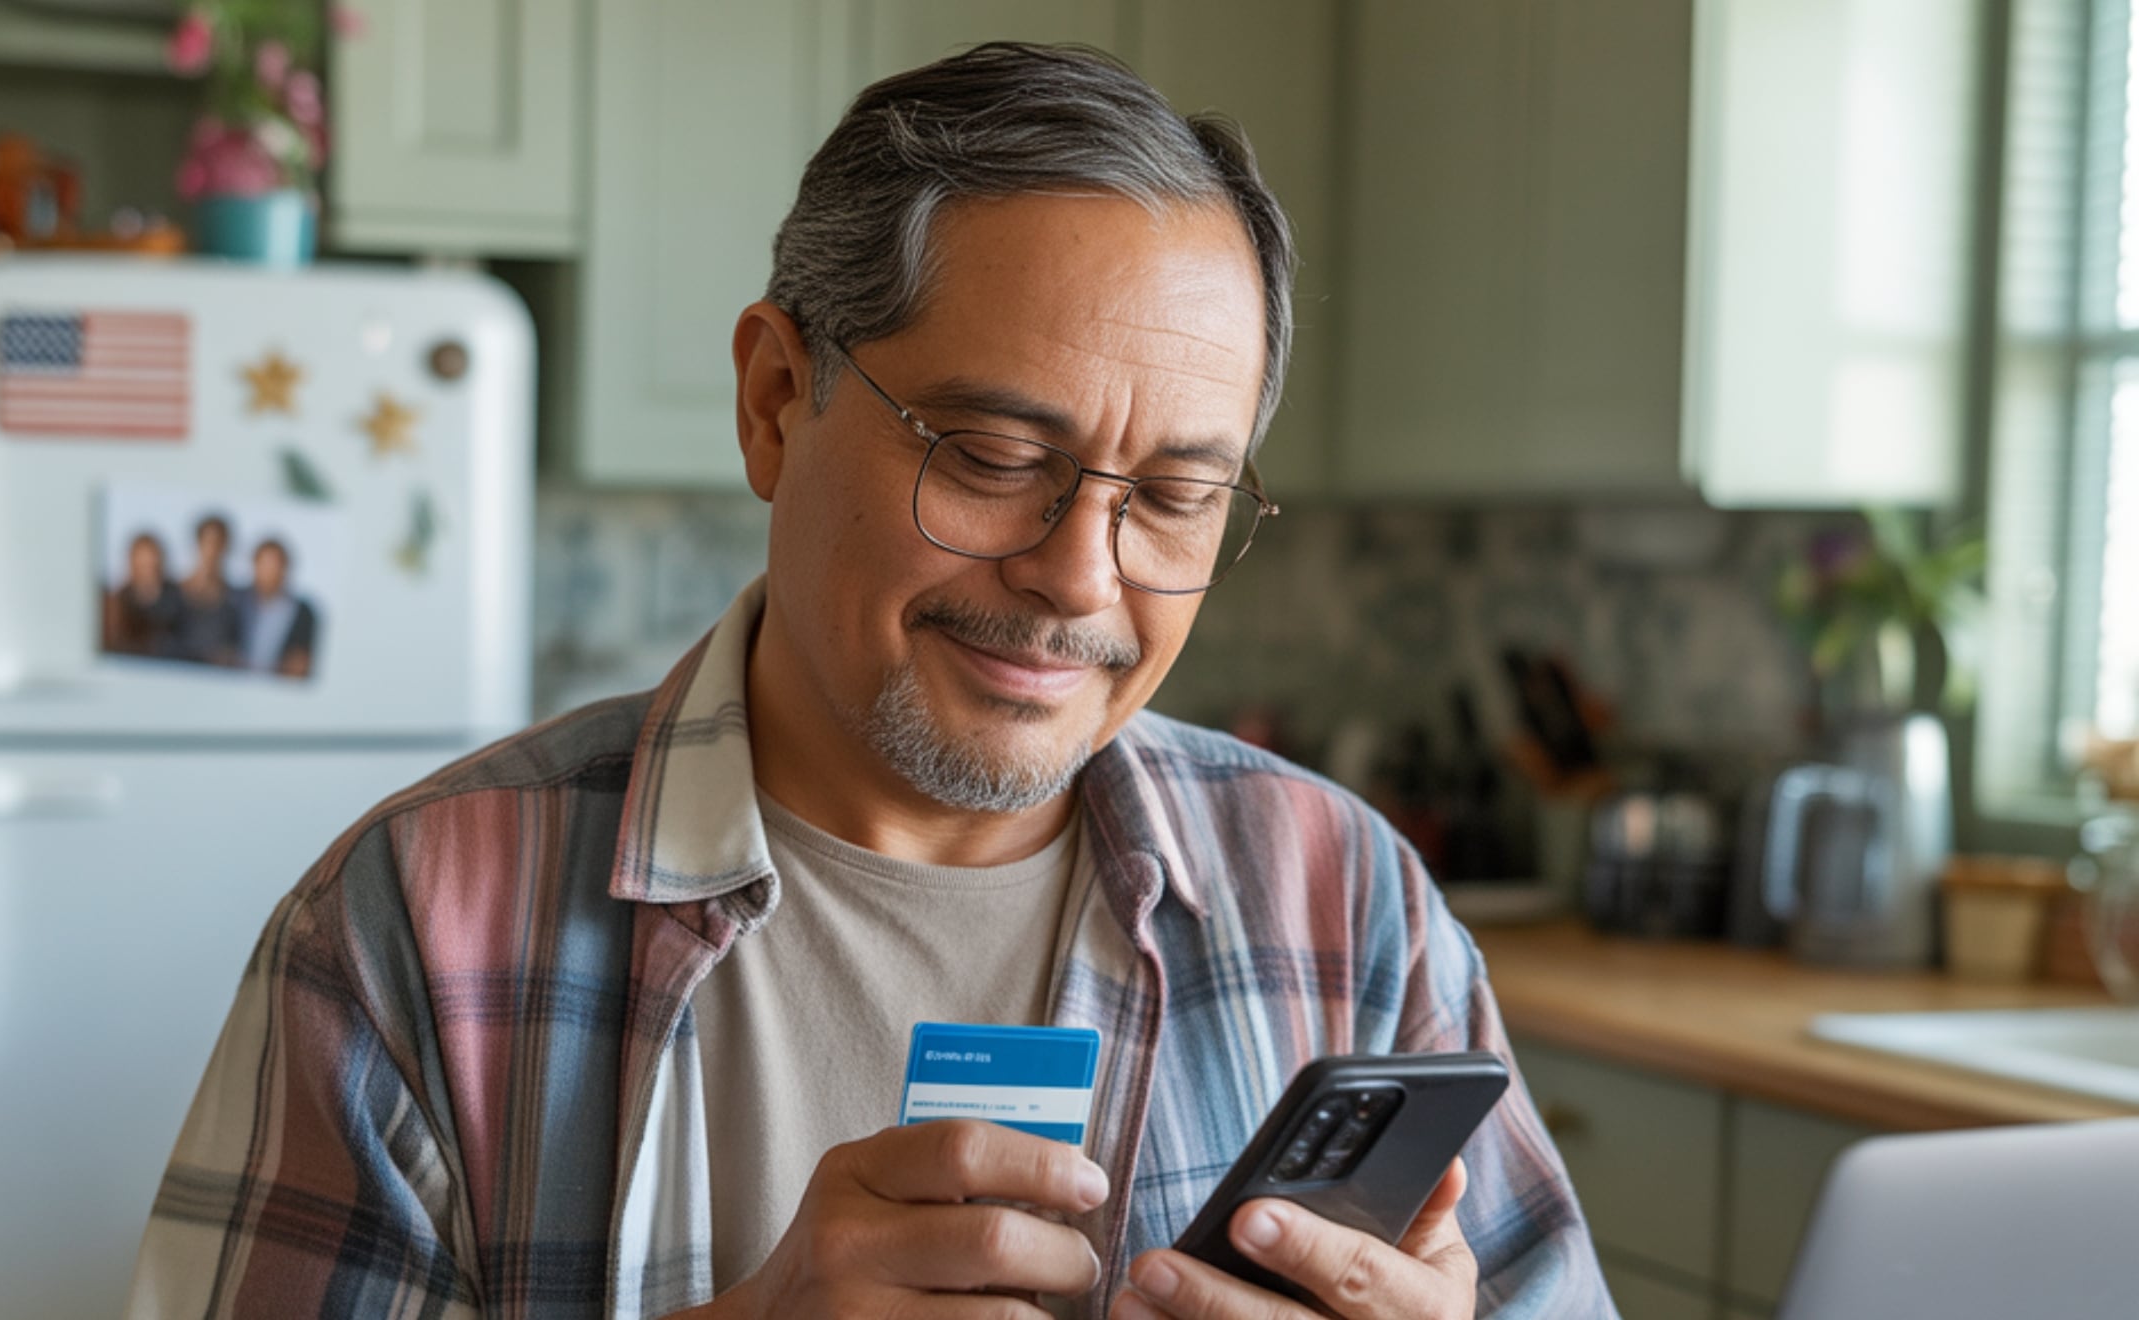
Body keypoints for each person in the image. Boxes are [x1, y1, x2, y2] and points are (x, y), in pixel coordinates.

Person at [129, 44, 1614, 1320]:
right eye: (993, 458)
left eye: (1173, 495)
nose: (1081, 580)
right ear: (776, 402)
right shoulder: (415, 932)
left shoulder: (1349, 908)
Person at [236, 537, 318, 679]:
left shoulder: (303, 612)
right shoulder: (235, 601)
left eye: (277, 565)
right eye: (266, 565)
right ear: (255, 565)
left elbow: (302, 661)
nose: (271, 572)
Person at [170, 512, 243, 668]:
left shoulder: (236, 599)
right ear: (197, 543)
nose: (213, 550)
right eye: (208, 542)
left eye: (219, 543)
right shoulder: (173, 591)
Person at [102, 530, 183, 659]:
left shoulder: (177, 597)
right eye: (143, 561)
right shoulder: (119, 600)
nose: (149, 565)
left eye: (152, 559)